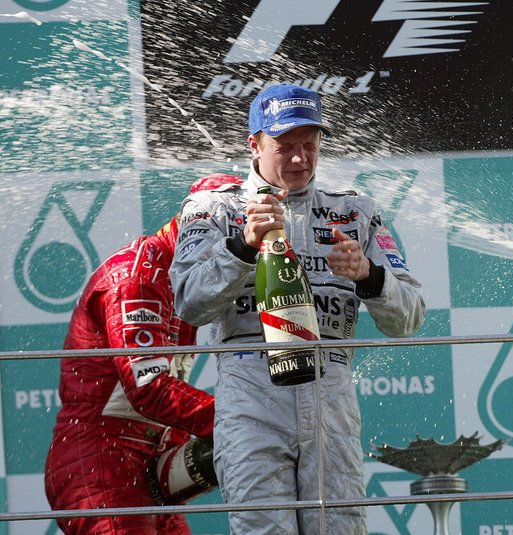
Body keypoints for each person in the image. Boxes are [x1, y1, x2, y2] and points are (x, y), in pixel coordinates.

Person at [169, 83, 425, 534]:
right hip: (252, 393)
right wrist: (242, 246)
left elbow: (411, 316)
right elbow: (188, 303)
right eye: (284, 146)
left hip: (330, 393)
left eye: (310, 146)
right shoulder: (215, 206)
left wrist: (368, 276)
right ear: (254, 144)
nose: (299, 159)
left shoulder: (354, 211)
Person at [44, 173, 243, 534]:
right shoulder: (136, 276)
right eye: (231, 235)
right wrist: (238, 422)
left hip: (148, 468)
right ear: (194, 224)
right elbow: (148, 387)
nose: (238, 251)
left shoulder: (188, 281)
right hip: (100, 463)